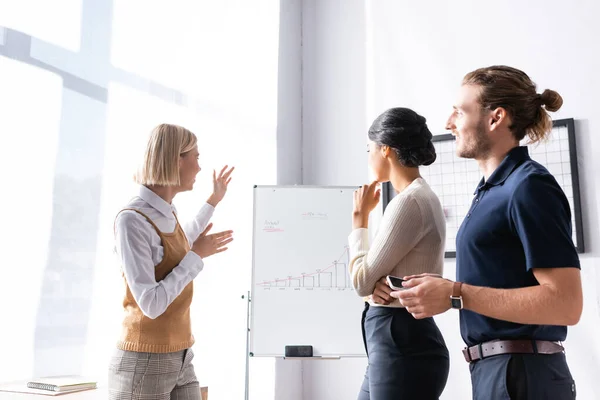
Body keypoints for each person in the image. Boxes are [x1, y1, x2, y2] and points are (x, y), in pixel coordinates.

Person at [387, 66, 582, 400]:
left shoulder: (529, 186)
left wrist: (456, 293)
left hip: (521, 374)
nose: (449, 123)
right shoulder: (491, 191)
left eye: (460, 111)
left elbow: (566, 303)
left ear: (496, 118)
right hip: (498, 371)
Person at [109, 123, 234, 399]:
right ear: (176, 159)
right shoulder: (131, 220)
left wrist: (213, 200)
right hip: (142, 361)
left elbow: (178, 244)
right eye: (196, 157)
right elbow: (151, 304)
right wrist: (196, 256)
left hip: (180, 354)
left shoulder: (167, 212)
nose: (200, 167)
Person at [349, 107, 450, 400]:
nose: (368, 156)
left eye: (370, 149)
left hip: (401, 343)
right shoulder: (416, 198)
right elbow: (372, 283)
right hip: (395, 341)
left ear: (385, 150)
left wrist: (359, 219)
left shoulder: (410, 202)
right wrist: (373, 288)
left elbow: (361, 280)